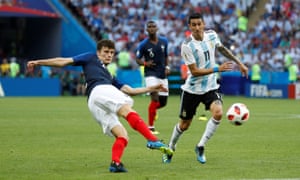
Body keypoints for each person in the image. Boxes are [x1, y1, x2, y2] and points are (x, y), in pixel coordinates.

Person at [27, 39, 173, 173]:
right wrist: (39, 62)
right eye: (106, 52)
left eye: (111, 53)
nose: (109, 55)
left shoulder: (109, 75)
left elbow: (130, 90)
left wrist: (152, 88)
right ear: (98, 52)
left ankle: (115, 164)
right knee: (126, 109)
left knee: (122, 135)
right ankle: (152, 140)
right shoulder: (91, 57)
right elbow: (64, 61)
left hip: (94, 102)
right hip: (100, 90)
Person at [162, 13, 248, 164]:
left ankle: (200, 146)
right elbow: (194, 71)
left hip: (210, 86)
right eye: (193, 25)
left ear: (203, 24)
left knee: (218, 112)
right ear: (189, 27)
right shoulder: (187, 45)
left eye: (199, 24)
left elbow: (222, 49)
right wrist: (217, 69)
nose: (196, 27)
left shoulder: (212, 35)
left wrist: (239, 62)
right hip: (192, 89)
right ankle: (171, 147)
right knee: (184, 125)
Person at [135, 20, 170, 134]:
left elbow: (166, 56)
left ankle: (153, 110)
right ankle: (150, 127)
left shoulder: (164, 41)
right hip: (150, 74)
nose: (151, 28)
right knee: (154, 96)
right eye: (149, 27)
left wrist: (168, 67)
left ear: (157, 29)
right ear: (146, 30)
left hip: (162, 74)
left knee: (163, 102)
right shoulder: (143, 44)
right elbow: (137, 59)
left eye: (153, 26)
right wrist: (145, 64)